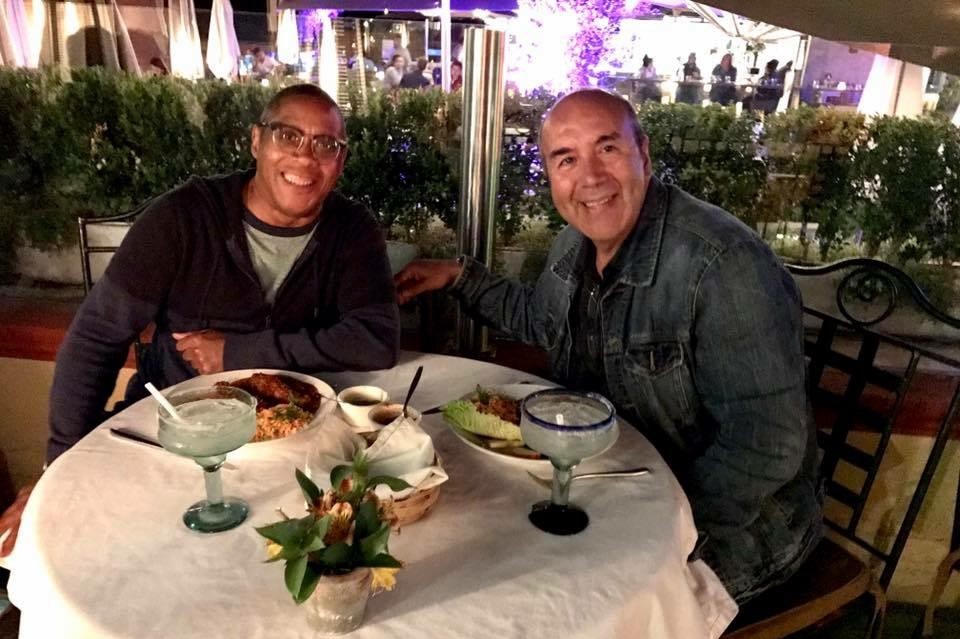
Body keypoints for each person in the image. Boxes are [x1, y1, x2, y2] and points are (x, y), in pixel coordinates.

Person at [394, 89, 821, 605]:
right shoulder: (573, 244)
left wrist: (654, 522)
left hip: (733, 524)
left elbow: (766, 446)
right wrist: (459, 276)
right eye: (567, 159)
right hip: (617, 483)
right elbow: (541, 320)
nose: (590, 177)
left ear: (644, 153)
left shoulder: (723, 266)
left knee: (570, 603)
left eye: (608, 149)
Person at [0, 85, 400, 558]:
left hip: (298, 453)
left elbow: (375, 340)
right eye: (288, 135)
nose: (305, 156)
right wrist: (59, 469)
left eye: (325, 144)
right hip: (174, 445)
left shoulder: (351, 230)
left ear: (341, 161)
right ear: (257, 141)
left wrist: (239, 352)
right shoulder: (183, 219)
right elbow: (95, 338)